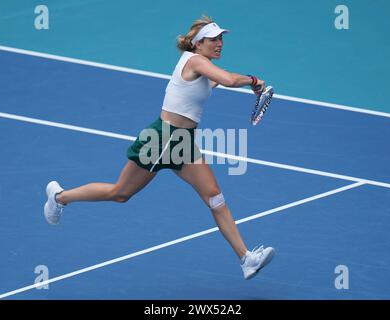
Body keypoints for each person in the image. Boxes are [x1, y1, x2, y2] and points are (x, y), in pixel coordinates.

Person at [44, 15, 275, 280]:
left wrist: (249, 85)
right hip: (162, 139)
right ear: (199, 44)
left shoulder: (202, 66)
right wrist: (254, 80)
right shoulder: (195, 61)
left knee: (215, 198)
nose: (220, 43)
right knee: (120, 193)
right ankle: (60, 197)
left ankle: (246, 259)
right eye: (214, 39)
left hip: (183, 142)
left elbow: (224, 78)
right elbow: (230, 80)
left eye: (221, 38)